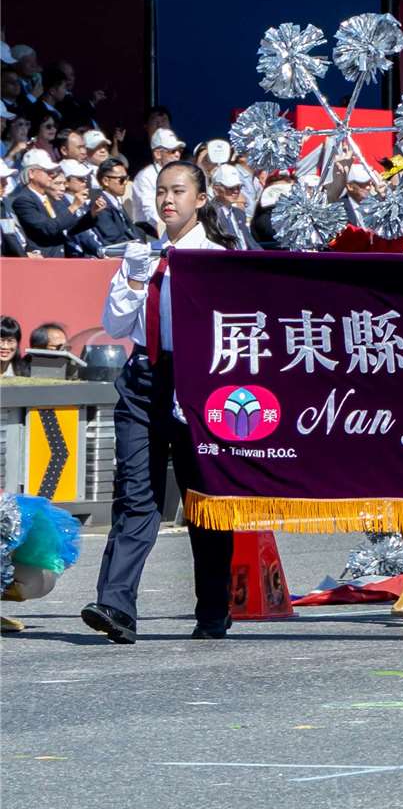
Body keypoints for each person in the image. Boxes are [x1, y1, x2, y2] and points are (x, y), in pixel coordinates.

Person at [81, 160, 237, 642]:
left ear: (201, 199)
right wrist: (131, 278)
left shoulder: (216, 256)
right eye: (162, 192)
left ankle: (213, 610)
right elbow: (116, 325)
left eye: (179, 191)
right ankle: (116, 606)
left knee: (205, 503)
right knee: (135, 496)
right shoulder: (143, 253)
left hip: (198, 382)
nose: (168, 200)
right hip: (144, 378)